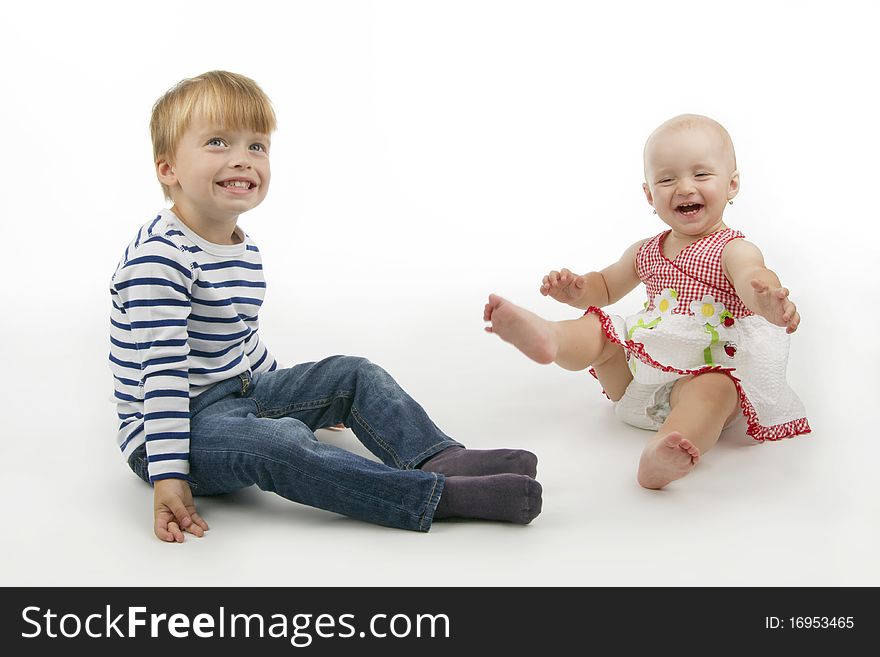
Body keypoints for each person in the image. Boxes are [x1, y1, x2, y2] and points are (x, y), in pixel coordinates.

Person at [109, 71, 542, 542]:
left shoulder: (242, 247)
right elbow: (164, 374)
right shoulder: (159, 258)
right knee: (280, 443)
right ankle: (432, 495)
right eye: (218, 142)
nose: (243, 159)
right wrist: (169, 474)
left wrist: (304, 398)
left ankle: (436, 456)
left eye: (257, 146)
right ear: (167, 168)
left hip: (237, 392)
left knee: (353, 372)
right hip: (173, 433)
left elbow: (240, 341)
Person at [483, 114, 809, 490]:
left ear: (732, 184)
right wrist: (577, 290)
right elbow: (604, 287)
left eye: (701, 175)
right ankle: (551, 338)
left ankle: (664, 452)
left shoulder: (732, 249)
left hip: (703, 373)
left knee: (717, 388)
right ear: (649, 195)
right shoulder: (646, 251)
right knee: (602, 330)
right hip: (638, 378)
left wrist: (767, 299)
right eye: (667, 179)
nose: (684, 188)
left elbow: (753, 277)